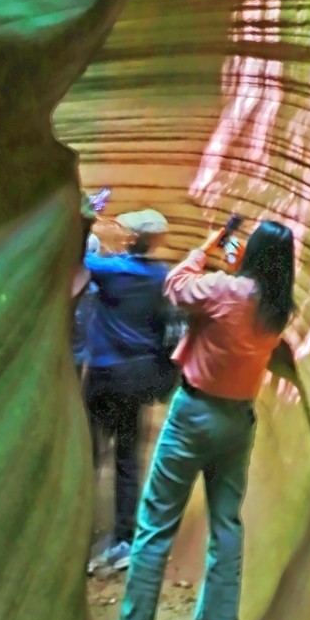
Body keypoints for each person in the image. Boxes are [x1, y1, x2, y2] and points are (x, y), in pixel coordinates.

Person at [101, 219, 297, 620]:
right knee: (226, 524)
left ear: (253, 253)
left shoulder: (224, 290)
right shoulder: (278, 309)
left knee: (154, 528)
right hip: (238, 421)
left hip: (193, 415)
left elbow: (175, 285)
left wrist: (208, 245)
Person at [82, 208, 180, 574]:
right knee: (127, 459)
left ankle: (76, 531)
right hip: (139, 379)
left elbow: (80, 257)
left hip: (105, 375)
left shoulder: (111, 271)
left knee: (90, 453)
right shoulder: (160, 276)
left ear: (130, 238)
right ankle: (124, 539)